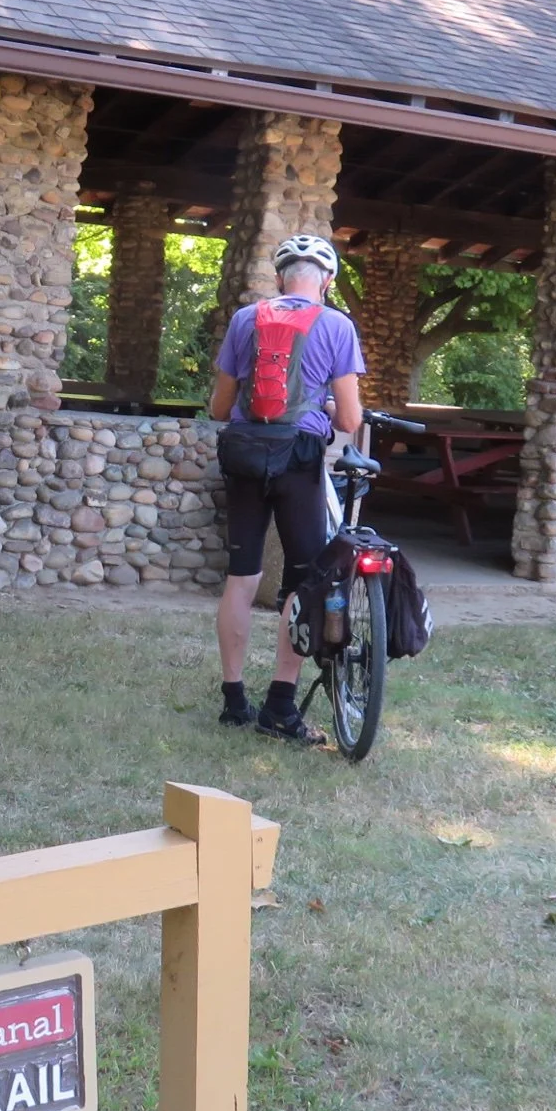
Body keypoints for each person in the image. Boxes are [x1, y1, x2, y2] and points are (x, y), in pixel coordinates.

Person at [208, 233, 364, 744]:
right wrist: (319, 407)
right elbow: (349, 417)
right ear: (328, 280)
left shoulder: (243, 319)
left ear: (280, 277)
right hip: (299, 459)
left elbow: (218, 407)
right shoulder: (338, 326)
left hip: (245, 455)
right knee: (300, 580)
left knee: (242, 575)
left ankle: (234, 700)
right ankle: (280, 704)